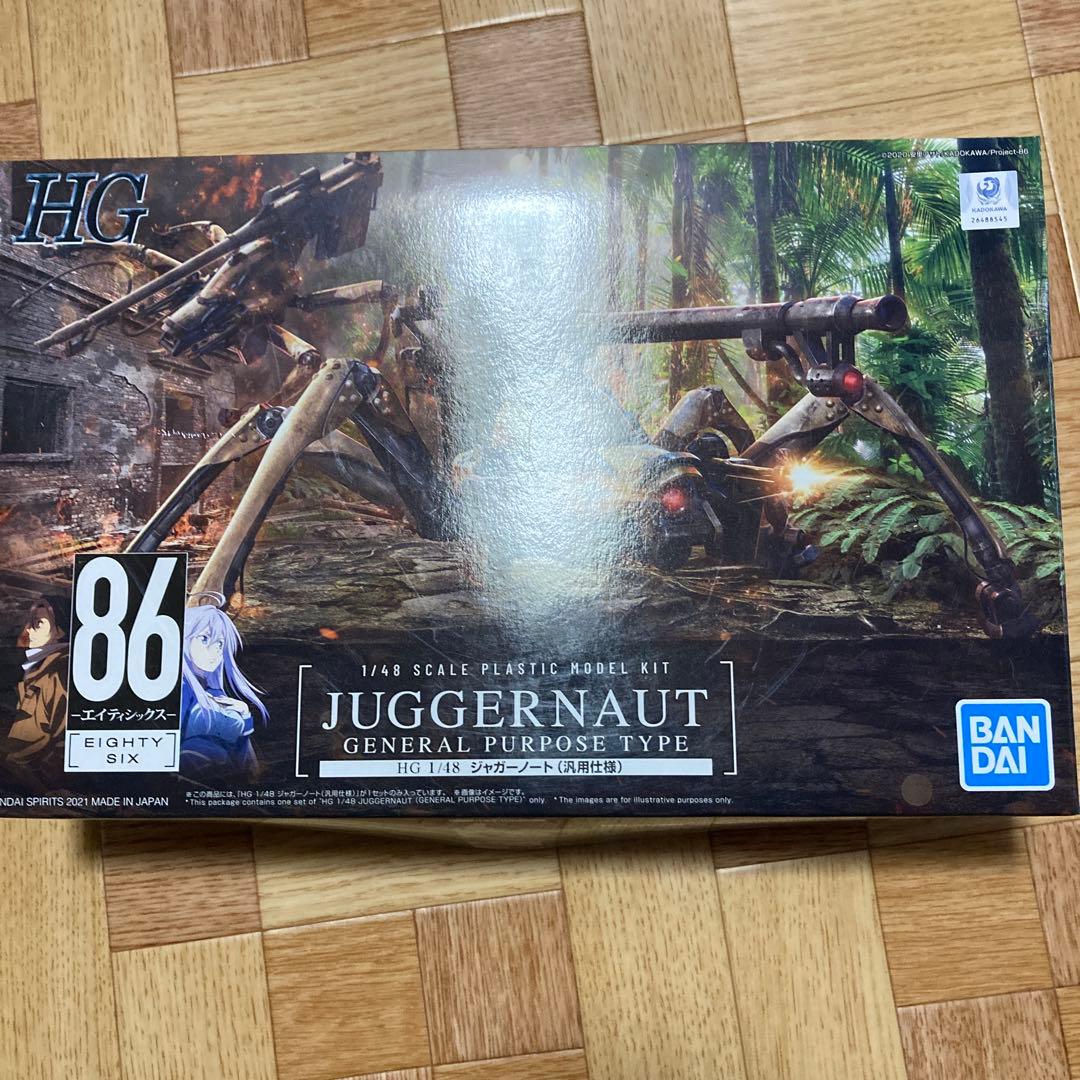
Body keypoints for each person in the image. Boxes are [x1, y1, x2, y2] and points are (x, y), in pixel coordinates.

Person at [180, 604, 267, 782]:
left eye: (220, 643)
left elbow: (246, 761)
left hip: (225, 784)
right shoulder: (181, 689)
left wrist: (244, 715)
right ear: (185, 639)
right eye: (204, 639)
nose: (215, 651)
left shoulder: (216, 693)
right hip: (187, 782)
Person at [6, 594, 70, 779]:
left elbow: (32, 742)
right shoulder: (42, 667)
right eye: (29, 623)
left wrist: (9, 759)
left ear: (60, 631)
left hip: (46, 776)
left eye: (38, 623)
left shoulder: (55, 673)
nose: (28, 630)